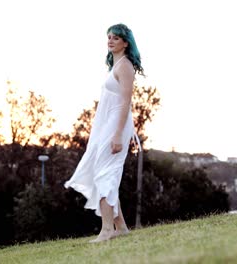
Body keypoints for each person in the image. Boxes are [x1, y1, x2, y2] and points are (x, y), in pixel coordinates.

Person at [64, 23, 144, 243]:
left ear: (125, 43)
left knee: (104, 174)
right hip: (108, 125)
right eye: (109, 37)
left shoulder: (125, 66)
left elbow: (126, 102)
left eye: (116, 38)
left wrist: (118, 135)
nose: (110, 41)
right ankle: (121, 227)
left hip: (116, 126)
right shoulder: (116, 65)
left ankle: (107, 229)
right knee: (104, 171)